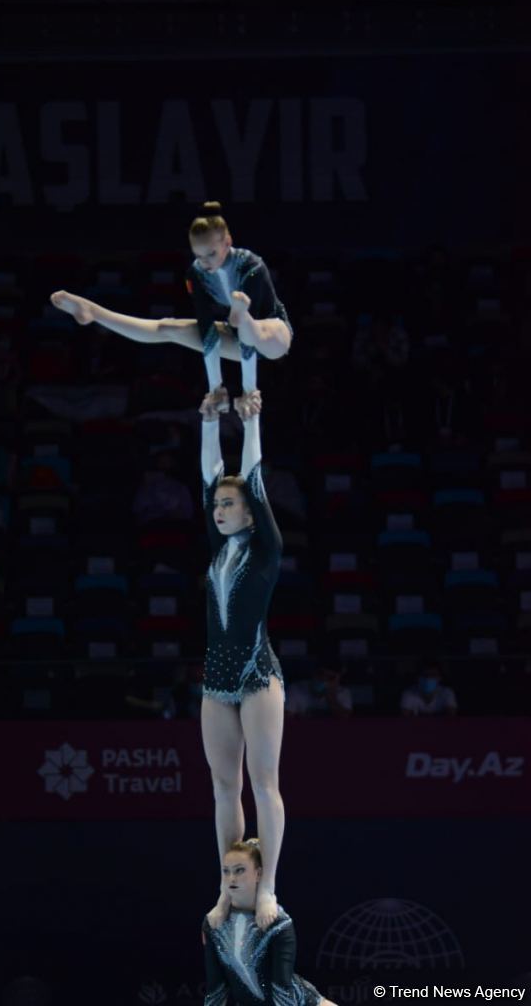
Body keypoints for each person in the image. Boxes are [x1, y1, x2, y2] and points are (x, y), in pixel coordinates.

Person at [50, 202, 292, 403]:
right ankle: (94, 312)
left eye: (211, 254)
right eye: (198, 256)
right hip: (235, 334)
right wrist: (215, 387)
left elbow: (251, 340)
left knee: (250, 327)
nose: (205, 262)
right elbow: (207, 330)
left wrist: (249, 390)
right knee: (168, 327)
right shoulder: (197, 273)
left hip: (271, 333)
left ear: (227, 243)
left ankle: (241, 314)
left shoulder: (252, 267)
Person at [199, 388, 284, 932]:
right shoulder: (219, 545)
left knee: (263, 782)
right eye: (217, 507)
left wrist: (249, 422)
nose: (220, 509)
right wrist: (208, 421)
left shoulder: (265, 544)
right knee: (223, 787)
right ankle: (229, 887)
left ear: (250, 512)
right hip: (216, 678)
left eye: (229, 505)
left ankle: (269, 883)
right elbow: (211, 477)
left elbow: (246, 478)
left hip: (257, 675)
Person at [202, 839, 334, 1006]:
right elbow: (216, 989)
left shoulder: (278, 922)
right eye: (226, 871)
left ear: (258, 874)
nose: (231, 878)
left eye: (239, 870)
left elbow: (282, 989)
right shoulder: (214, 923)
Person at [285, 661, 353, 720]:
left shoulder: (344, 693)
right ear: (313, 673)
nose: (324, 680)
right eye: (320, 674)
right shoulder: (295, 689)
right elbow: (286, 720)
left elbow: (345, 720)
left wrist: (331, 698)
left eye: (330, 678)